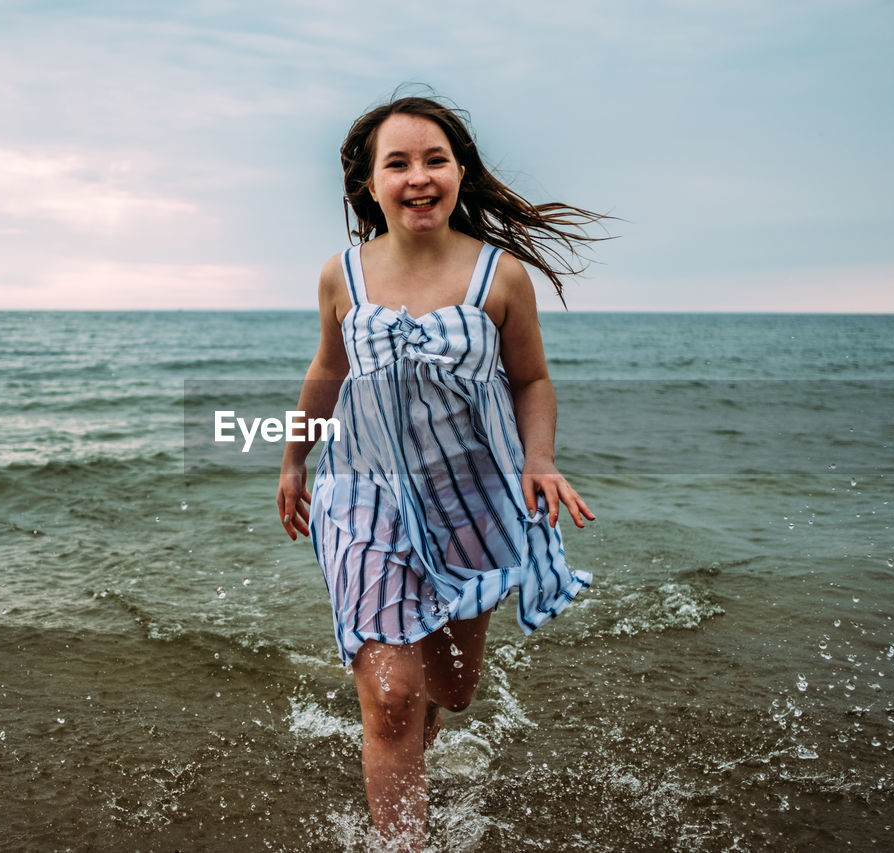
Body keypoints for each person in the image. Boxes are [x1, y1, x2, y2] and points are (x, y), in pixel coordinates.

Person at [276, 92, 606, 851]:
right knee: (391, 696)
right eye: (398, 162)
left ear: (461, 171)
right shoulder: (342, 277)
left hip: (470, 501)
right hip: (363, 495)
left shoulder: (500, 278)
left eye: (435, 159)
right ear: (369, 183)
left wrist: (540, 459)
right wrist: (295, 459)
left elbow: (531, 381)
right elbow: (328, 371)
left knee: (451, 690)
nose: (418, 176)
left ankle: (409, 741)